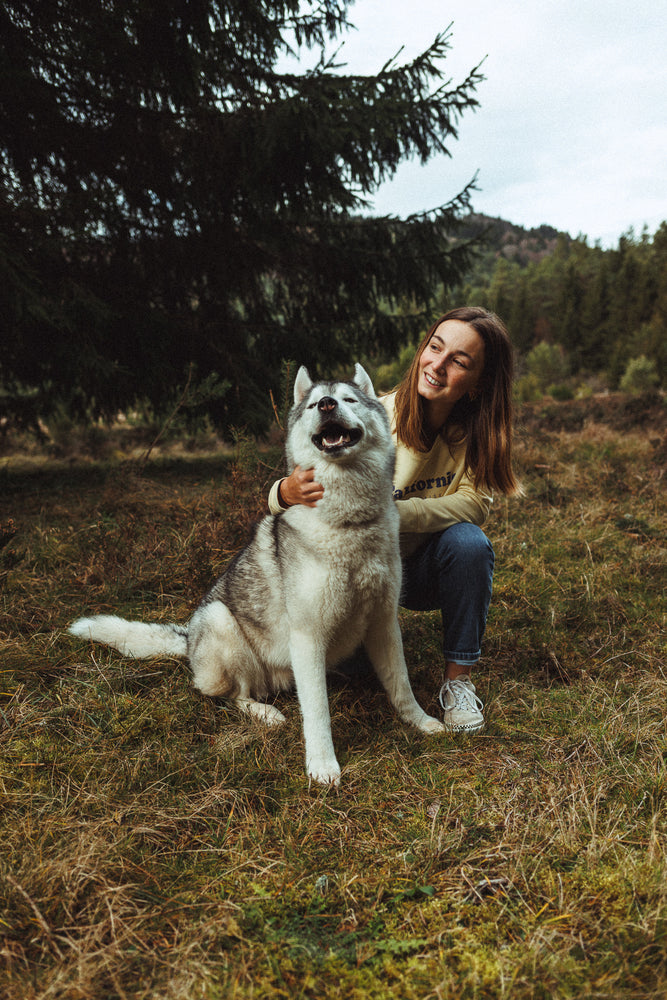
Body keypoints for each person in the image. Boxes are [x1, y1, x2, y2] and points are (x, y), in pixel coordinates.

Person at [267, 306, 520, 733]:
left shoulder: (473, 436)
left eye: (458, 361)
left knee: (469, 544)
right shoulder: (369, 412)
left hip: (413, 572)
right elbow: (303, 475)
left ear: (478, 384)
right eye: (435, 348)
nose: (437, 365)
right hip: (350, 571)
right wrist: (281, 493)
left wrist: (394, 513)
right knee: (354, 671)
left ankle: (458, 683)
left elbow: (475, 505)